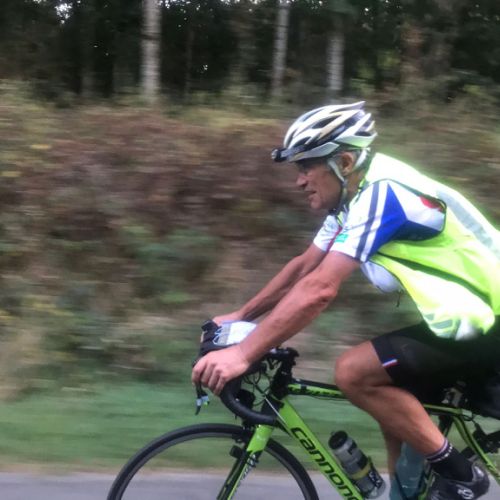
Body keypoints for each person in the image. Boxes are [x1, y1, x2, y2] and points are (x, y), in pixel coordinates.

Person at [191, 101, 500, 500]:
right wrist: (240, 316)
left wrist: (243, 354)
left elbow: (320, 288)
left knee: (354, 372)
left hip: (491, 319)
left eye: (306, 167)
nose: (299, 181)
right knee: (396, 414)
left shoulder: (383, 195)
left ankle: (464, 477)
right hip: (472, 318)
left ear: (345, 162)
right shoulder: (351, 199)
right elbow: (306, 267)